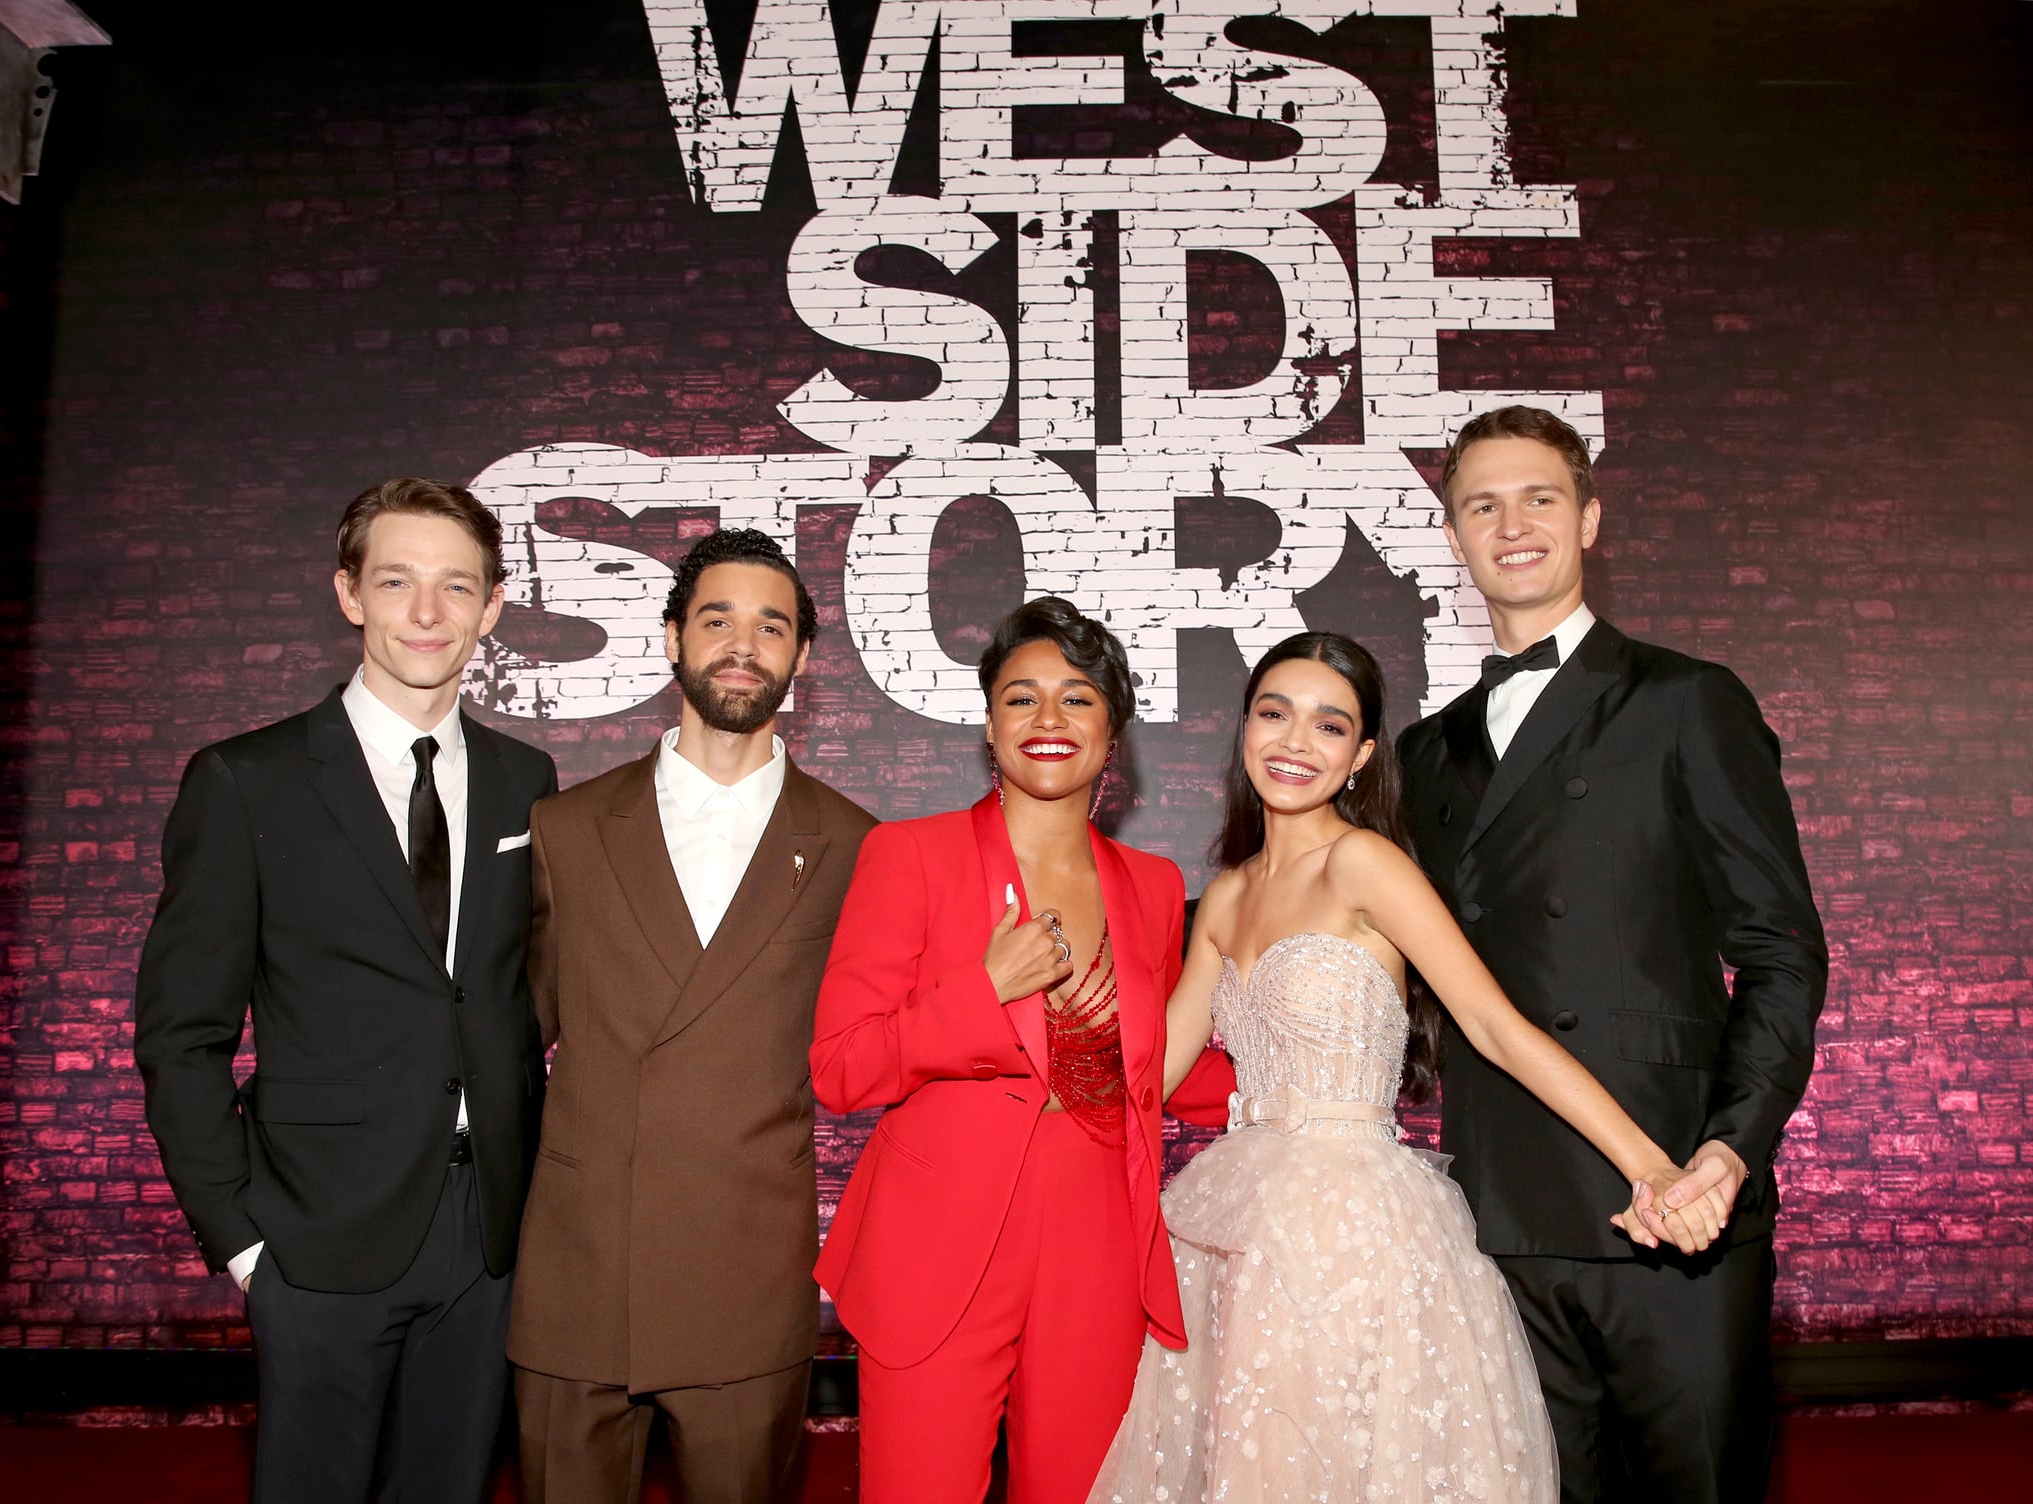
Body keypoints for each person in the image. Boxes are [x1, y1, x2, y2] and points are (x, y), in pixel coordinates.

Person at [1096, 631, 1718, 1504]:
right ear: (1243, 731)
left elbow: (1496, 1026)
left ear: (1358, 758)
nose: (1295, 743)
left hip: (1355, 1231)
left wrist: (1649, 1161)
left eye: (1328, 726)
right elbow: (1149, 1079)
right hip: (1234, 1225)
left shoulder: (1365, 863)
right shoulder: (1229, 892)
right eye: (1275, 715)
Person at [1395, 405, 1827, 1502]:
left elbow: (1778, 948)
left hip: (1670, 1198)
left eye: (1538, 496)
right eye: (1480, 505)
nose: (1512, 524)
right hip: (1500, 1212)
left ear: (1587, 518)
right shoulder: (1421, 750)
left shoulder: (1686, 699)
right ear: (1452, 537)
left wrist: (1729, 1150)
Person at [134, 478, 558, 1504]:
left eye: (455, 587)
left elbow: (515, 990)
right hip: (315, 1231)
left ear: (491, 606)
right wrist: (241, 1242)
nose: (426, 612)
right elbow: (180, 1033)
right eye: (397, 581)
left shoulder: (525, 779)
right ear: (348, 593)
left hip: (487, 1232)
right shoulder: (246, 780)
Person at [811, 596, 1236, 1504]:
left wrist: (1292, 1098)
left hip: (1095, 1241)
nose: (1050, 720)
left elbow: (1158, 1062)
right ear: (990, 725)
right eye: (1021, 697)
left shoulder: (1155, 887)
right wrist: (982, 989)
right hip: (937, 1243)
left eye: (1078, 699)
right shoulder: (908, 855)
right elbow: (841, 1065)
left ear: (1112, 731)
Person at [506, 527, 875, 1504]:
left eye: (771, 625)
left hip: (744, 1274)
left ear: (800, 655)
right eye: (716, 619)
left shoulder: (854, 845)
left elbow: (873, 1052)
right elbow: (506, 1041)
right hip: (577, 1269)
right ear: (671, 640)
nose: (742, 644)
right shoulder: (565, 827)